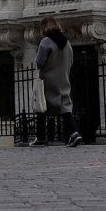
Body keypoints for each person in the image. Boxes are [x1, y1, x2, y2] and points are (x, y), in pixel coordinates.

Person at [34, 18, 81, 147]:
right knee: (65, 106)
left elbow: (39, 62)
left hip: (48, 79)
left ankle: (40, 138)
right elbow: (71, 60)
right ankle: (74, 133)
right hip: (63, 77)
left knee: (42, 107)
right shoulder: (66, 43)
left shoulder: (46, 41)